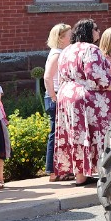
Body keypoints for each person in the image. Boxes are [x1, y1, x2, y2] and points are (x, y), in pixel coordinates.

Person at [54, 19, 111, 186]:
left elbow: (60, 75)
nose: (99, 31)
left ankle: (80, 176)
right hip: (85, 98)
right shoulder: (91, 49)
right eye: (96, 29)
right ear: (88, 31)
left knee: (74, 135)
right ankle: (103, 171)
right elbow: (95, 74)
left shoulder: (67, 50)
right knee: (98, 134)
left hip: (67, 96)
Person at [43, 23, 71, 181]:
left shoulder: (60, 52)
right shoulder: (57, 54)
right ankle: (53, 171)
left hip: (58, 95)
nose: (71, 37)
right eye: (69, 35)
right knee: (55, 134)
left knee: (60, 134)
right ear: (61, 38)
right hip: (56, 97)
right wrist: (53, 96)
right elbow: (47, 77)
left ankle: (59, 170)